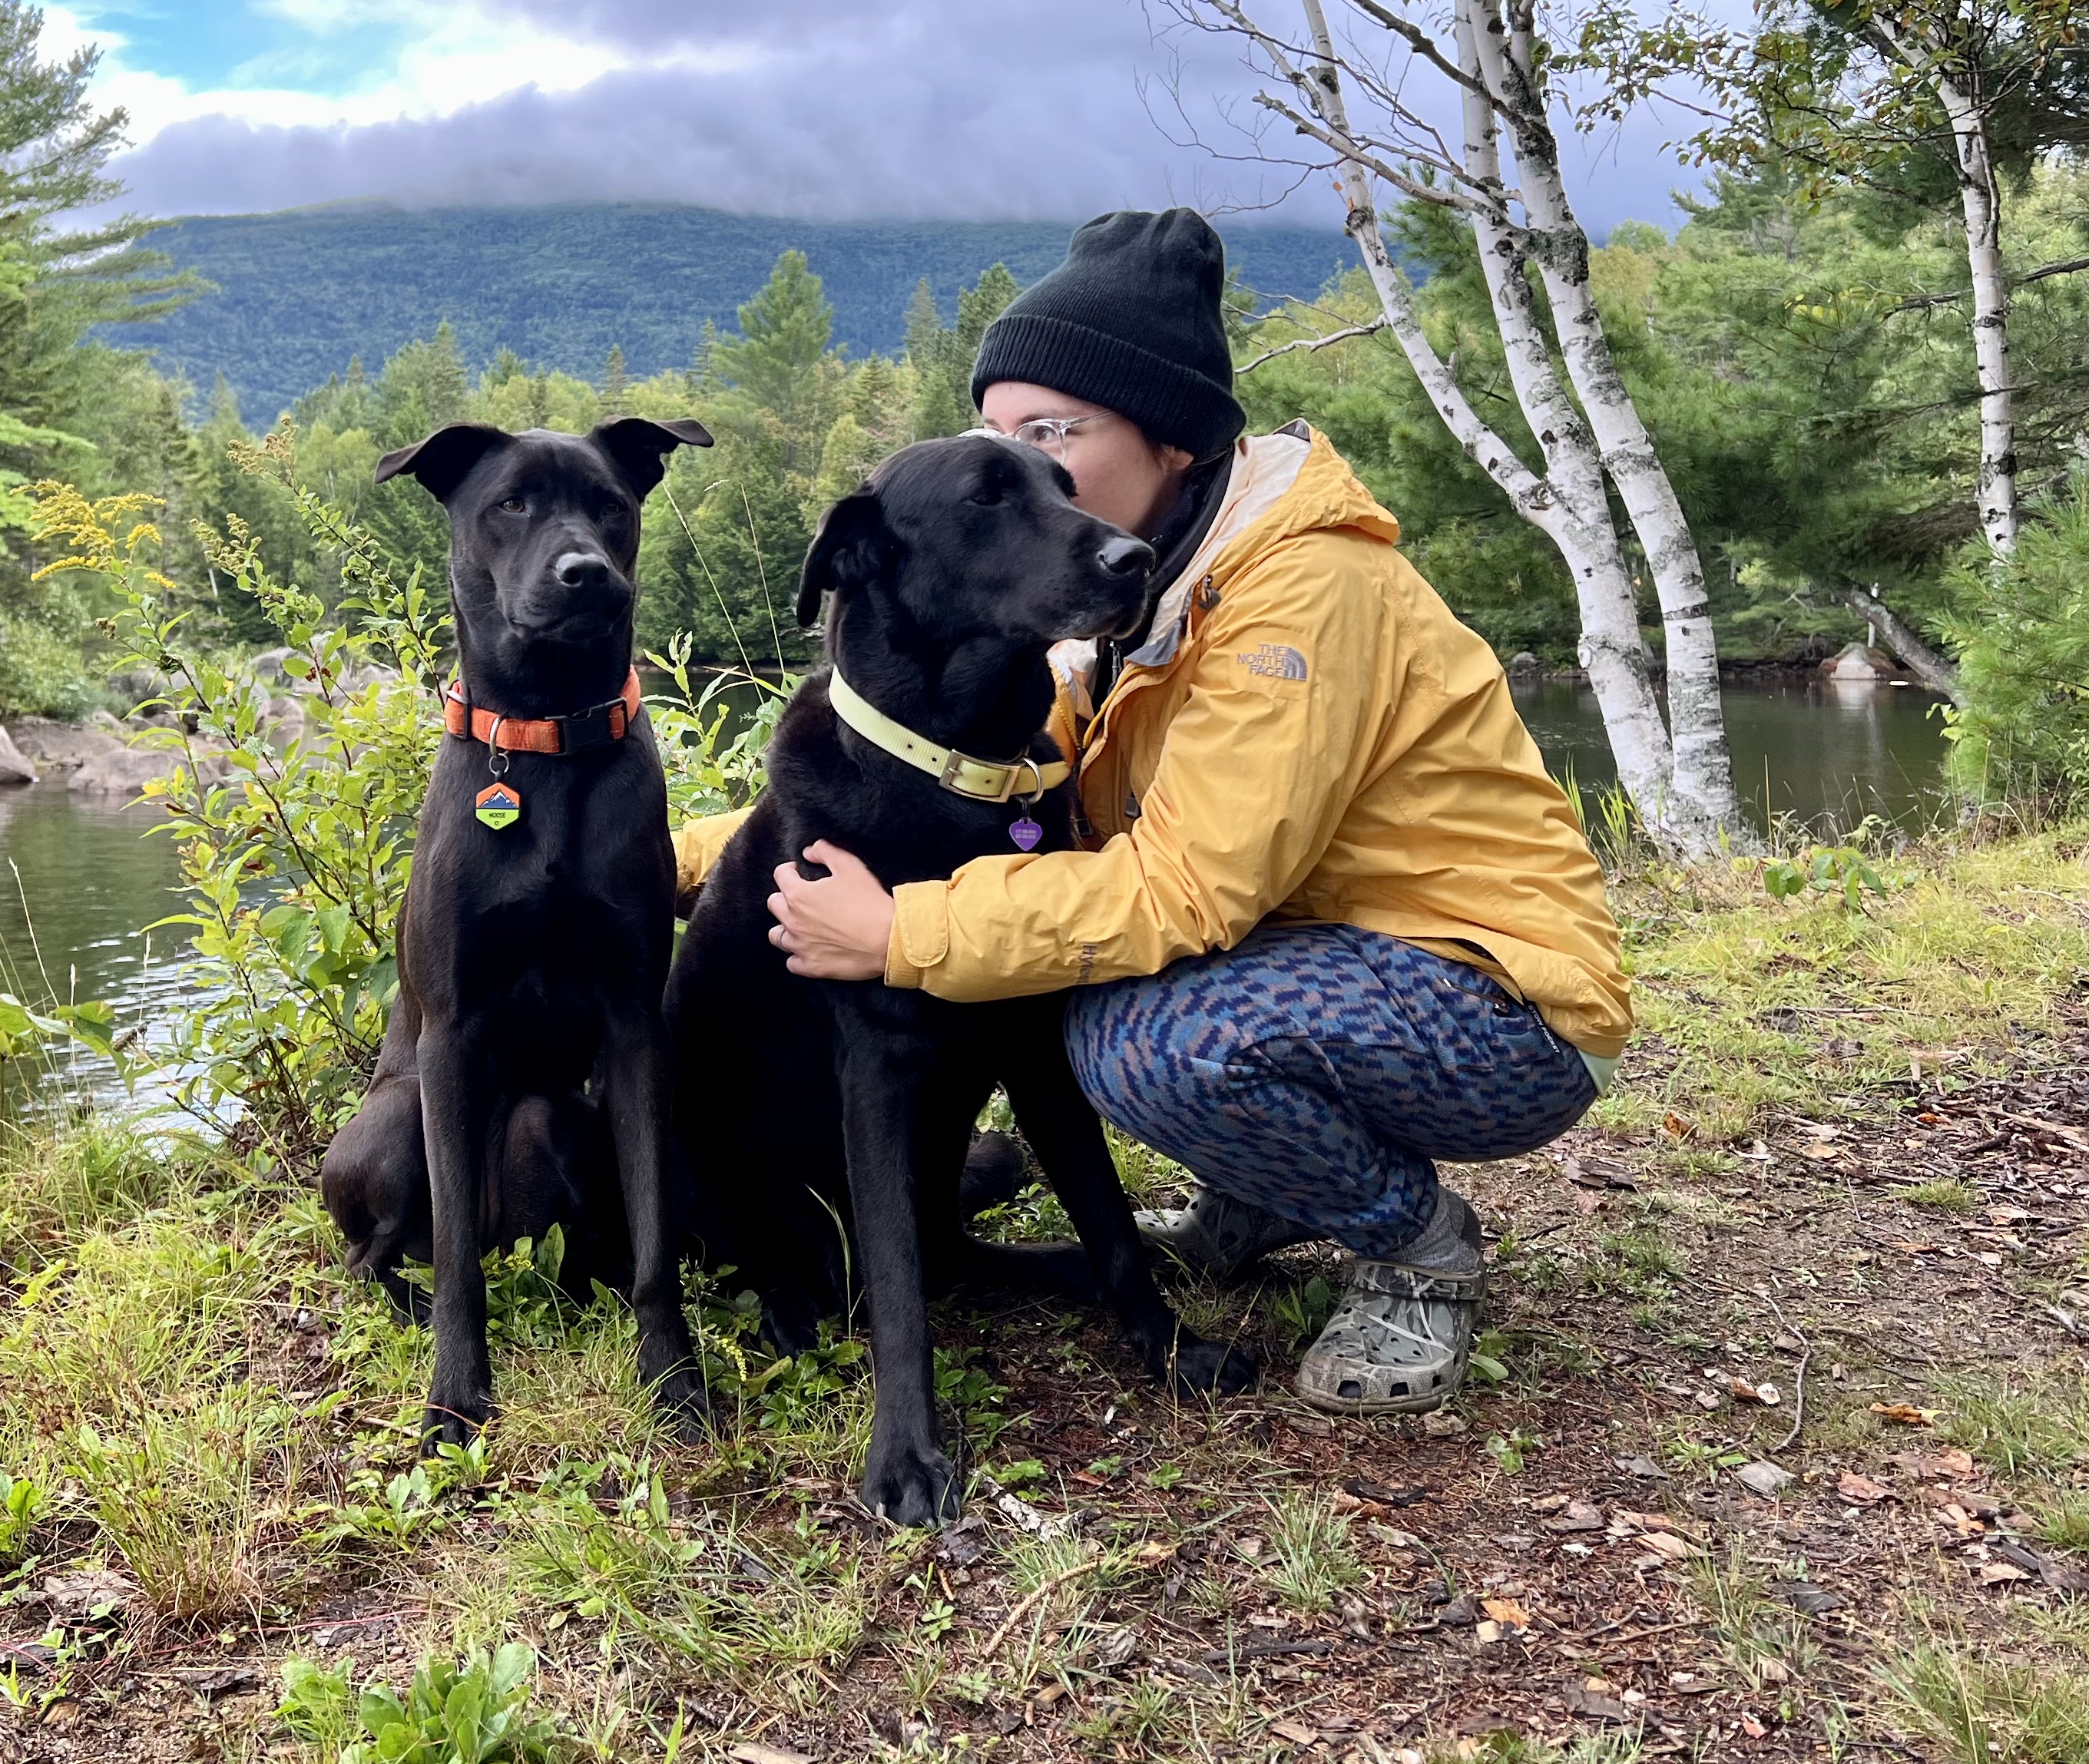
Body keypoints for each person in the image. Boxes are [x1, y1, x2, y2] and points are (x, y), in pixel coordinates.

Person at [689, 207, 1630, 1415]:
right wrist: (680, 857)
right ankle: (1275, 1188)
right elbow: (972, 782)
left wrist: (901, 937)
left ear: (1173, 440)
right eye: (1003, 440)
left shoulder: (1301, 596)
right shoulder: (1145, 598)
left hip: (1502, 1005)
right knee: (1093, 963)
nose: (1034, 473)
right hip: (1342, 960)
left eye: (1056, 435)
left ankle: (1417, 1250)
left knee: (1143, 1035)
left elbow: (1189, 889)